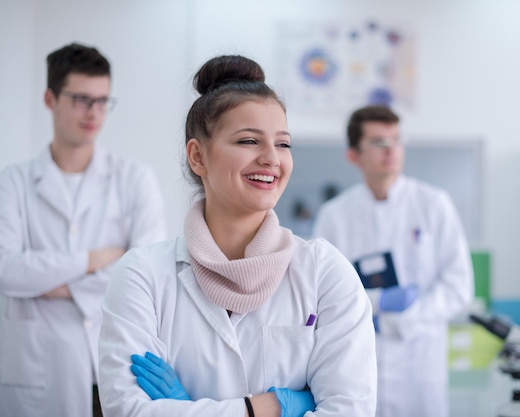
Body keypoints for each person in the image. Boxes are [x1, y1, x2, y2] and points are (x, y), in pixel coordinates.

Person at [98, 55, 377, 417]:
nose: (272, 159)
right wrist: (267, 407)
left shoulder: (323, 271)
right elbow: (127, 411)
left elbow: (349, 411)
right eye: (249, 141)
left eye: (283, 144)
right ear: (198, 157)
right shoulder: (142, 275)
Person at [0, 43, 167, 417]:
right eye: (80, 99)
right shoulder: (12, 182)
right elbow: (7, 272)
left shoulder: (134, 179)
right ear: (49, 98)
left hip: (116, 363)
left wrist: (46, 284)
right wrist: (95, 259)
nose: (93, 113)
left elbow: (148, 277)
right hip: (40, 370)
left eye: (102, 101)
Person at [312, 105, 474, 417]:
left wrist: (407, 319)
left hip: (420, 365)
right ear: (353, 155)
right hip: (355, 362)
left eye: (396, 140)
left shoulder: (433, 204)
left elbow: (458, 286)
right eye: (378, 142)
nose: (391, 150)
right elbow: (321, 292)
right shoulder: (335, 216)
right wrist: (375, 303)